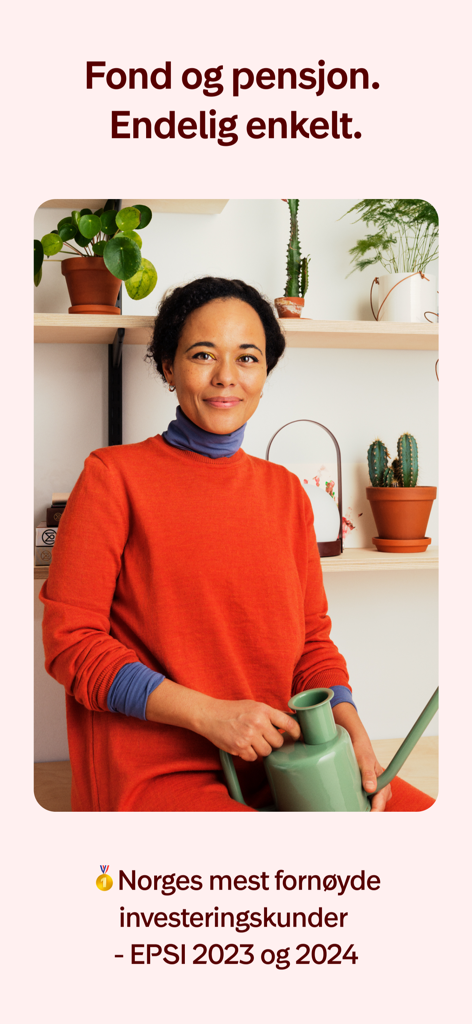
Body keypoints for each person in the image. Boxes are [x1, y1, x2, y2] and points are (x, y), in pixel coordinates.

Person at [40, 277, 434, 813]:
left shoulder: (287, 493)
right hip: (158, 770)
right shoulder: (112, 477)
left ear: (265, 373)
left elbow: (311, 643)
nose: (226, 377)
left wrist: (351, 731)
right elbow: (72, 644)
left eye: (248, 358)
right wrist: (210, 715)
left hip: (282, 760)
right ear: (166, 367)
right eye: (203, 354)